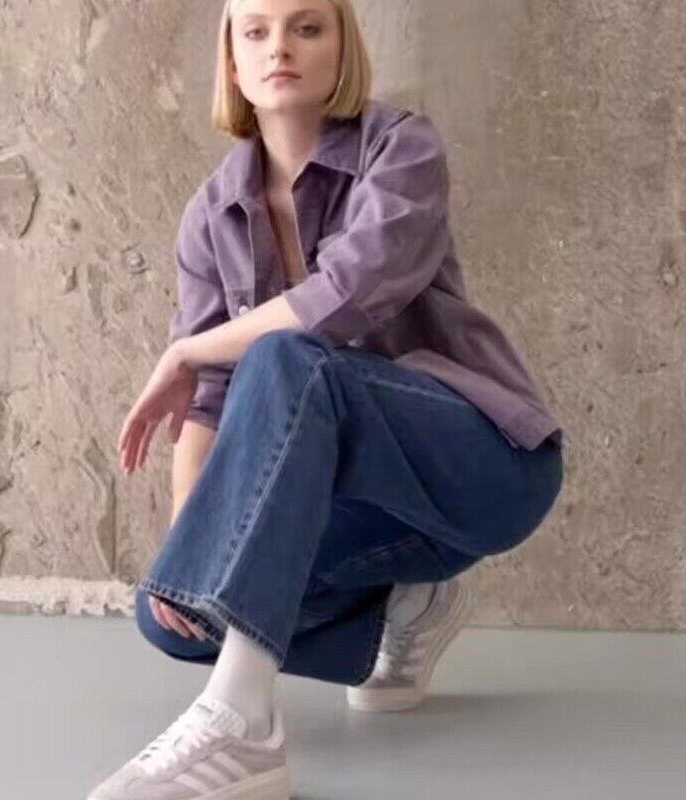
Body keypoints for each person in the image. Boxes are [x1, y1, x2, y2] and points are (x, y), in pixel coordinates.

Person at [90, 0, 564, 798]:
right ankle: (410, 603)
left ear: (343, 47)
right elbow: (208, 404)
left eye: (307, 27)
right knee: (172, 610)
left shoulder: (401, 148)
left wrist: (189, 348)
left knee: (288, 359)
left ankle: (243, 724)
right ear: (232, 60)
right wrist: (190, 546)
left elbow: (344, 296)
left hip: (485, 469)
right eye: (256, 31)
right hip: (373, 521)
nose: (280, 47)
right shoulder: (210, 216)